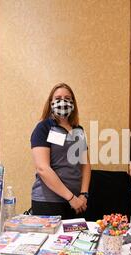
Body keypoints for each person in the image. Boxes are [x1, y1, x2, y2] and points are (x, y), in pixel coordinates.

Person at [30, 83, 91, 218]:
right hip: (48, 202)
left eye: (67, 98)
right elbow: (42, 168)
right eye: (58, 98)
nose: (62, 101)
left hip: (78, 202)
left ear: (73, 103)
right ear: (51, 103)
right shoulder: (43, 128)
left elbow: (85, 164)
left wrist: (83, 194)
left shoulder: (78, 130)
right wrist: (70, 198)